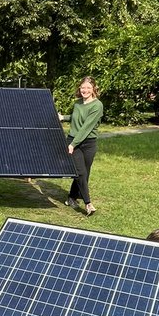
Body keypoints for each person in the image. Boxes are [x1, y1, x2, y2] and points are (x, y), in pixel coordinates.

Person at [65, 76, 103, 216]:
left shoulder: (97, 106)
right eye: (82, 88)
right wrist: (63, 117)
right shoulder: (77, 103)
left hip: (88, 143)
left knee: (84, 173)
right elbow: (76, 117)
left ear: (93, 89)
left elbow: (87, 127)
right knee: (80, 172)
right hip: (73, 141)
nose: (84, 90)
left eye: (88, 88)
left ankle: (71, 197)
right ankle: (88, 204)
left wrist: (74, 143)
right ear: (79, 89)